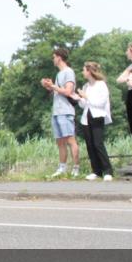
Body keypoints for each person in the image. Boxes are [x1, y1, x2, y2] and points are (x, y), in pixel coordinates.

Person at [40, 48, 80, 178]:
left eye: (54, 57)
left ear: (59, 58)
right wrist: (48, 86)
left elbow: (68, 91)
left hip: (66, 111)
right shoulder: (59, 74)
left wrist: (53, 86)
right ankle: (62, 168)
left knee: (70, 140)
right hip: (56, 111)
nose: (53, 59)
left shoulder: (69, 72)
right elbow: (57, 91)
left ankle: (76, 168)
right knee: (60, 142)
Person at [76, 62, 114, 181]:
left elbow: (100, 103)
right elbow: (84, 105)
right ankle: (96, 170)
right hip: (86, 117)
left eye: (84, 70)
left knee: (98, 143)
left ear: (89, 71)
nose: (82, 72)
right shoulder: (86, 86)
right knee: (90, 145)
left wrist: (86, 97)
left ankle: (107, 170)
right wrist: (79, 98)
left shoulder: (101, 85)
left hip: (98, 116)